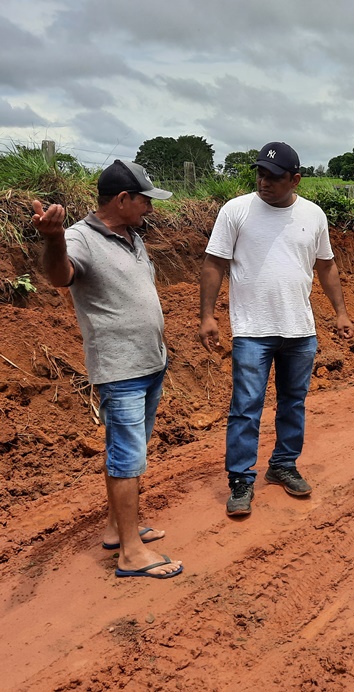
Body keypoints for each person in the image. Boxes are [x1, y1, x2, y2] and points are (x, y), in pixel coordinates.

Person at [32, 160, 183, 579]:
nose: (150, 208)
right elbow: (60, 275)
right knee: (126, 458)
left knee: (128, 451)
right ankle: (131, 554)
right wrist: (54, 238)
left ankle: (118, 530)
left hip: (150, 362)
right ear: (122, 199)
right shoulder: (79, 238)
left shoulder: (133, 236)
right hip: (121, 369)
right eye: (145, 201)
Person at [200, 141, 354, 517]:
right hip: (252, 330)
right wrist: (207, 316)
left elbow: (326, 266)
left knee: (293, 403)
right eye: (260, 174)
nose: (263, 182)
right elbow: (214, 263)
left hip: (300, 330)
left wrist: (341, 312)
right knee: (246, 407)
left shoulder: (314, 215)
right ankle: (241, 479)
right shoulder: (236, 211)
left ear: (294, 179)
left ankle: (283, 464)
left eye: (273, 176)